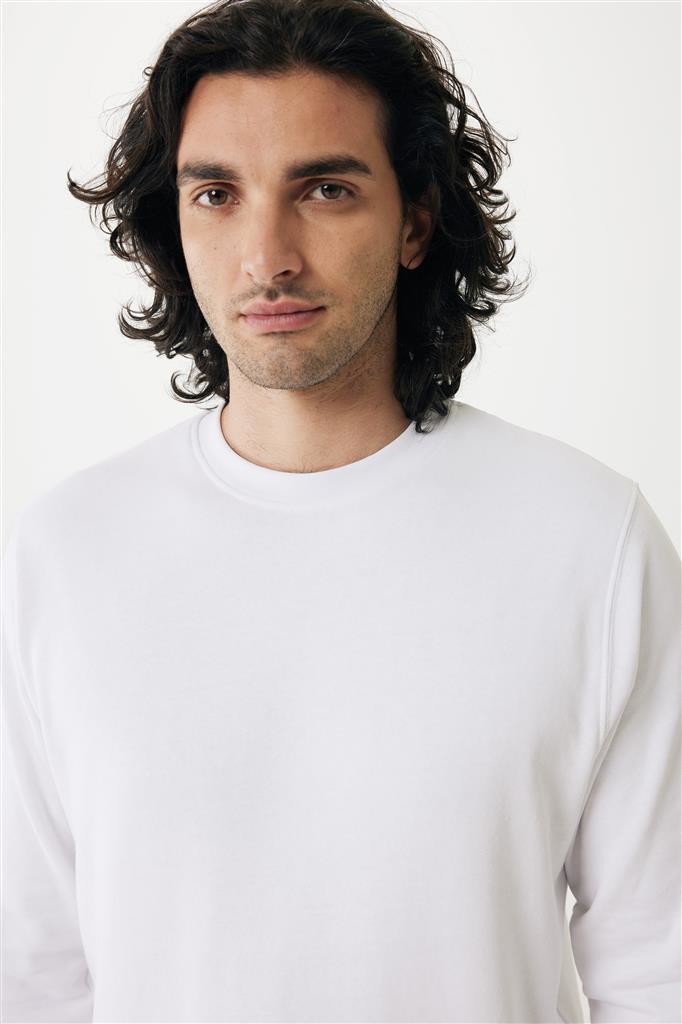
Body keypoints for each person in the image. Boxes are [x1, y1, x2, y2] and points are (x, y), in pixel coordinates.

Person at [2, 0, 680, 1021]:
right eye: (216, 194)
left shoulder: (590, 542)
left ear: (414, 220)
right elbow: (32, 977)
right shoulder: (63, 556)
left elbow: (660, 969)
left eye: (323, 188)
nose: (266, 254)